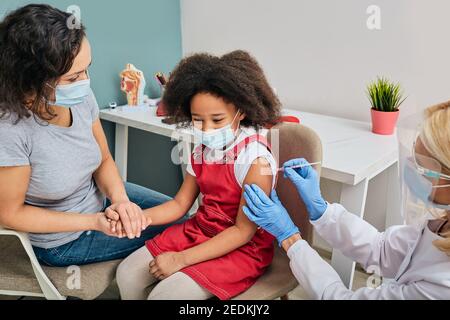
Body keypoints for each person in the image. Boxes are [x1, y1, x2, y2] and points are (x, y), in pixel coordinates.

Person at [0, 4, 180, 267]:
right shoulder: (11, 130)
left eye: (87, 70)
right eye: (73, 78)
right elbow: (10, 214)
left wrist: (120, 201)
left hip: (99, 199)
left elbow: (104, 159)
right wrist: (95, 222)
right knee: (183, 231)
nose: (85, 82)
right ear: (31, 79)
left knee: (181, 215)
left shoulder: (81, 97)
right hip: (63, 239)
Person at [113, 50, 282, 300]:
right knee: (127, 275)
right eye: (197, 120)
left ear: (242, 111)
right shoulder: (204, 149)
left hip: (241, 248)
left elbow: (242, 232)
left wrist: (181, 259)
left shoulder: (255, 161)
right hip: (200, 230)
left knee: (165, 296)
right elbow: (180, 204)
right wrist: (136, 219)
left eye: (217, 119)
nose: (206, 129)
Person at [243, 101, 450, 299]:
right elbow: (381, 249)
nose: (411, 167)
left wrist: (290, 238)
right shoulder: (443, 221)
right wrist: (321, 210)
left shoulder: (442, 286)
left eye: (423, 166)